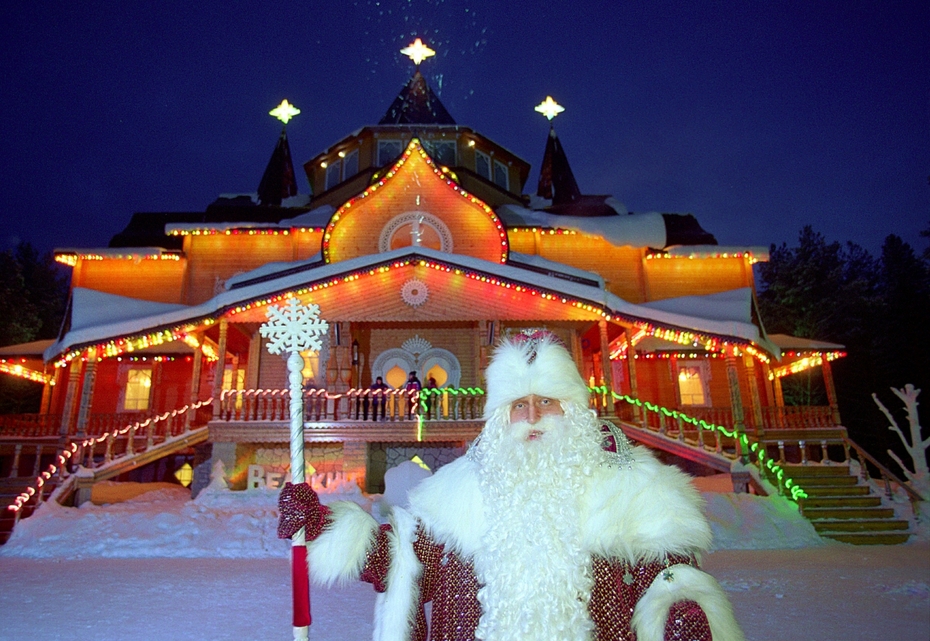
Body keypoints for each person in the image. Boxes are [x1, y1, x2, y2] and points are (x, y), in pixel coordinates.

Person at [278, 331, 744, 641]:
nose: (534, 416)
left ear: (575, 410)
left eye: (547, 401)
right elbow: (401, 560)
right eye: (519, 405)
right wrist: (322, 526)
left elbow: (669, 575)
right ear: (501, 418)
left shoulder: (633, 488)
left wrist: (684, 612)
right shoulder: (456, 491)